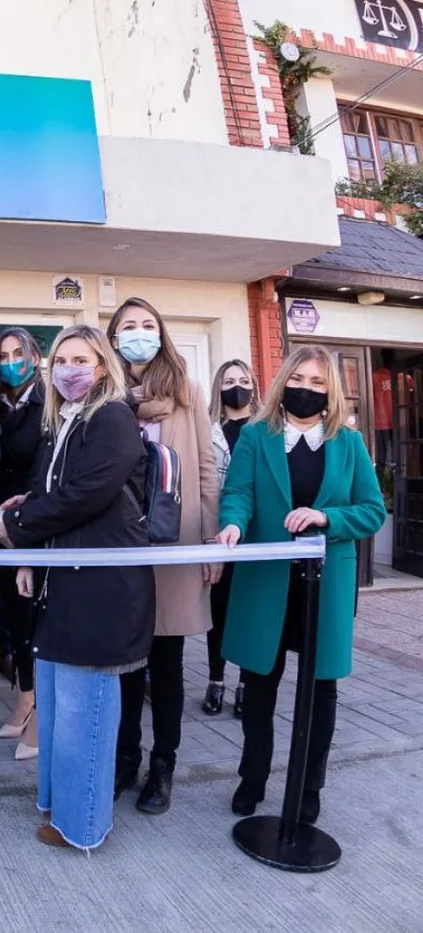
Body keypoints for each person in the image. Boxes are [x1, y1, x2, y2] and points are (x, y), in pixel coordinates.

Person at [0, 324, 154, 850]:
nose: (69, 369)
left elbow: (88, 493)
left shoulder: (113, 418)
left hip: (101, 589)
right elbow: (48, 490)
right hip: (64, 582)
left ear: (102, 365)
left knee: (88, 712)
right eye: (60, 360)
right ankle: (57, 804)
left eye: (80, 359)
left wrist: (15, 529)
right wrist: (28, 529)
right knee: (58, 707)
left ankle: (82, 826)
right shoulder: (61, 422)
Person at [216, 345, 386, 824]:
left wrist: (325, 516)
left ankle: (310, 786)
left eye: (317, 383)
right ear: (282, 383)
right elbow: (239, 493)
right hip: (267, 580)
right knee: (258, 685)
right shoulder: (255, 436)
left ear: (330, 391)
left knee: (321, 693)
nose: (306, 390)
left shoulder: (349, 444)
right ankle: (252, 778)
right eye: (299, 380)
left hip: (325, 588)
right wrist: (232, 523)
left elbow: (372, 510)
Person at [106, 297, 219, 815]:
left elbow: (205, 470)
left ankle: (163, 765)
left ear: (162, 333)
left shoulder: (188, 391)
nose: (138, 333)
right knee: (124, 663)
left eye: (148, 324)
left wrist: (210, 541)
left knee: (168, 665)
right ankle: (124, 758)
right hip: (120, 546)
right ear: (112, 337)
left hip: (175, 543)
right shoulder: (106, 396)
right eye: (128, 326)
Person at [0, 327, 45, 760]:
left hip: (33, 525)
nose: (10, 362)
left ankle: (40, 710)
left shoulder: (48, 405)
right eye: (3, 355)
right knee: (12, 615)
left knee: (36, 617)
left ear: (35, 357)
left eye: (17, 353)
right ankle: (24, 698)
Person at [203, 358, 258, 719]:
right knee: (218, 609)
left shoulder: (269, 429)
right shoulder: (208, 430)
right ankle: (216, 679)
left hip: (257, 535)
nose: (235, 386)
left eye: (242, 380)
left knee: (251, 611)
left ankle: (245, 684)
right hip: (220, 531)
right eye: (228, 381)